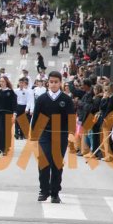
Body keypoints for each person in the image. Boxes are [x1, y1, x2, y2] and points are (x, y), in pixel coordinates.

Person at [31, 71, 74, 203]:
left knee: (57, 164)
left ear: (60, 83)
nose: (53, 84)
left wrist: (71, 133)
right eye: (51, 82)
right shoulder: (42, 99)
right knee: (44, 162)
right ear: (47, 83)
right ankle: (44, 190)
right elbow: (36, 117)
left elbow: (71, 117)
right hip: (45, 134)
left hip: (60, 134)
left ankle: (55, 192)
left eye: (56, 82)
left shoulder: (66, 99)